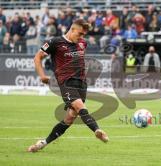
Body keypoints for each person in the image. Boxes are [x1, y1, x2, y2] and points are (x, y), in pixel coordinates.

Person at [27, 19, 109, 153]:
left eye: (84, 35)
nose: (82, 37)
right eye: (80, 33)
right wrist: (42, 76)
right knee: (80, 107)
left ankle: (42, 143)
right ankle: (97, 130)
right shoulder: (55, 42)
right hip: (66, 83)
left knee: (70, 118)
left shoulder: (83, 43)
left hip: (82, 84)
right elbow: (37, 57)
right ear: (72, 30)